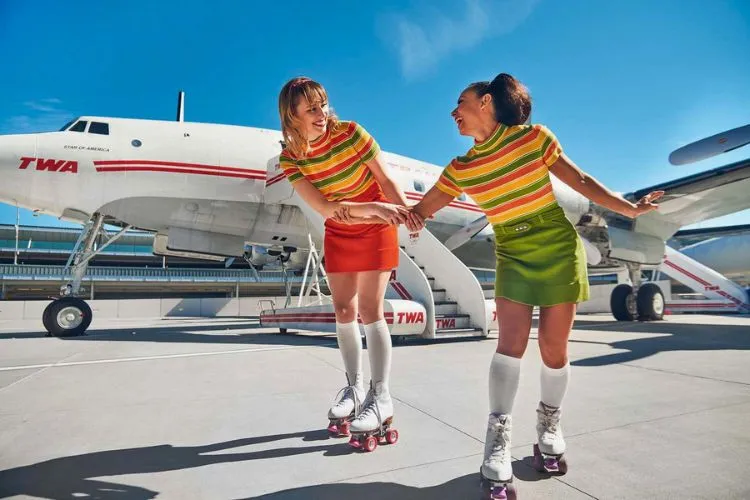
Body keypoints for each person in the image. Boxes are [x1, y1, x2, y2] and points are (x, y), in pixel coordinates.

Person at [409, 73, 663, 493]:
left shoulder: (534, 139)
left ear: (486, 101)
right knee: (509, 345)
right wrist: (381, 213)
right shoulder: (462, 168)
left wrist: (630, 210)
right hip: (511, 250)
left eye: (461, 102)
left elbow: (581, 181)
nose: (453, 112)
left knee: (553, 348)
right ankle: (497, 439)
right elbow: (423, 210)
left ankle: (549, 424)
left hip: (557, 246)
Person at [277, 76, 421, 443]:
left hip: (377, 226)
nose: (320, 113)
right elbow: (325, 207)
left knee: (371, 310)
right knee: (343, 310)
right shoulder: (291, 158)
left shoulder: (352, 133)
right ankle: (354, 388)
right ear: (291, 115)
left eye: (322, 103)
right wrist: (368, 206)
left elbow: (386, 181)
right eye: (310, 107)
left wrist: (404, 214)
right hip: (342, 228)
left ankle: (381, 395)